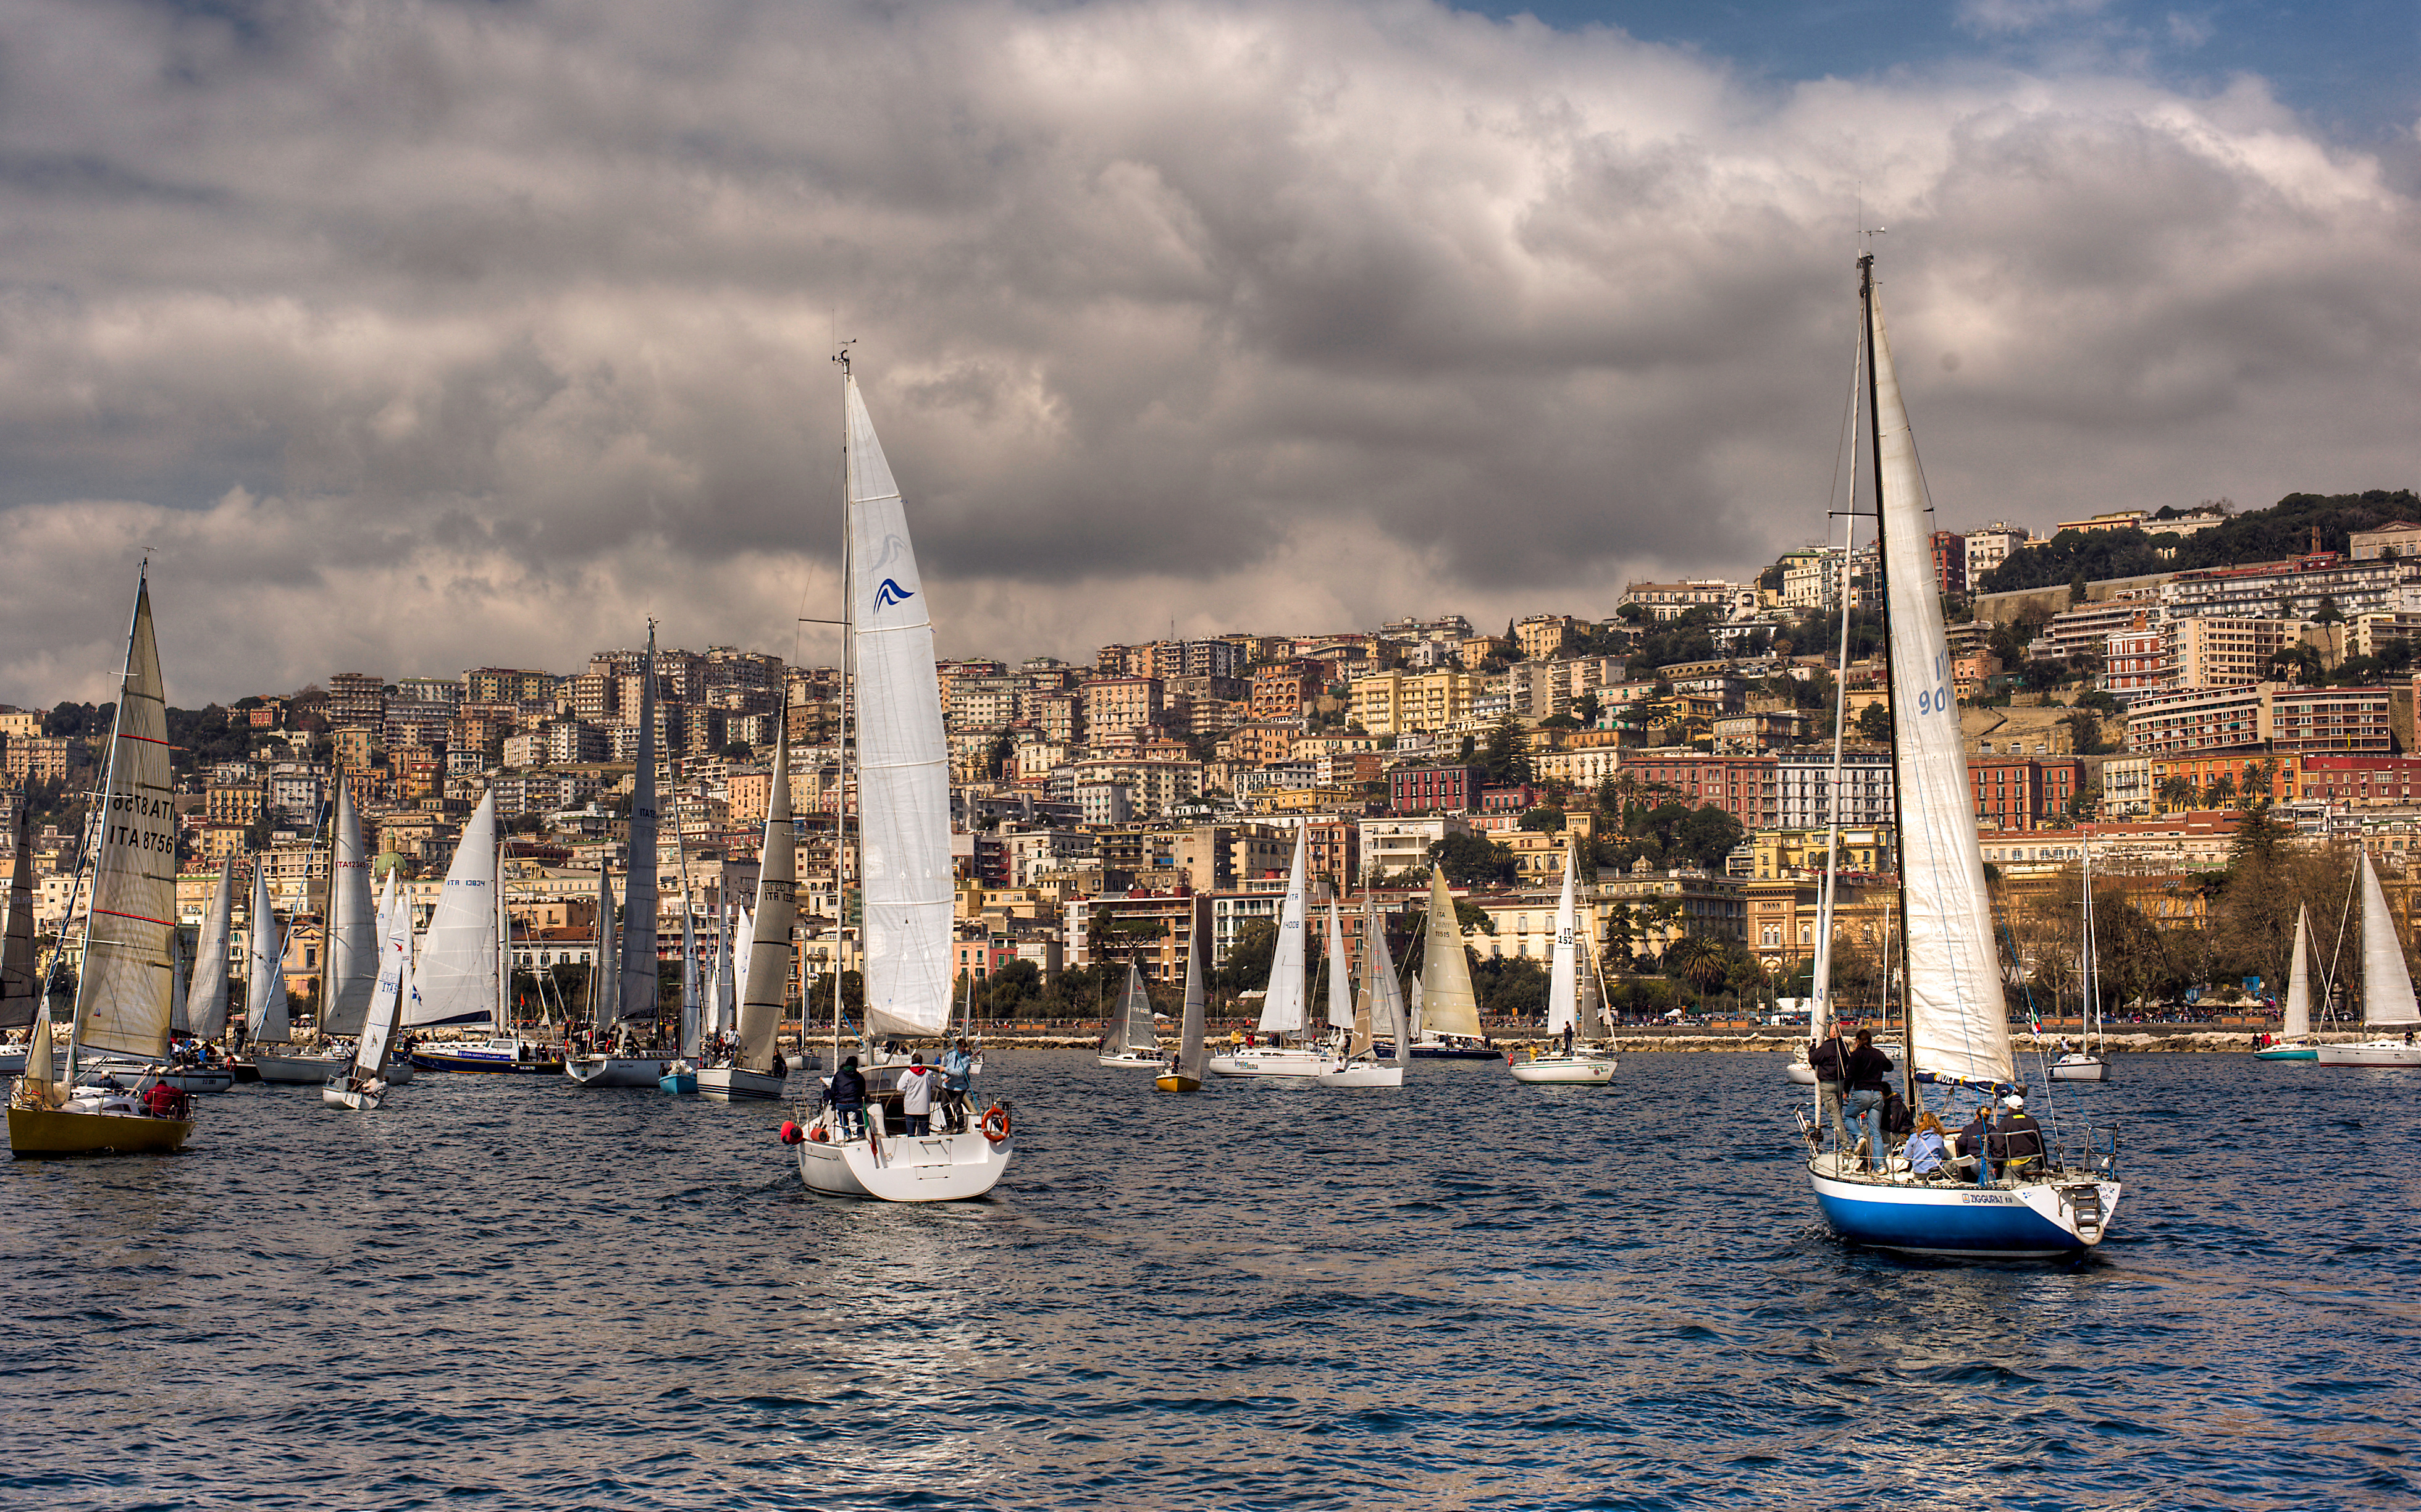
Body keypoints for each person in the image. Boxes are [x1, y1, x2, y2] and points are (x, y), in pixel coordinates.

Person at [1844, 1030, 1894, 1168]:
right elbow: (1890, 1067)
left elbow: (1850, 1076)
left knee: (1849, 1116)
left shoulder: (1856, 1055)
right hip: (1877, 1095)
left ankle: (1859, 1138)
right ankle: (1880, 1166)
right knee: (1875, 1132)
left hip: (1862, 1092)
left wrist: (1846, 1092)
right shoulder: (1878, 1054)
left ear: (1858, 1041)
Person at [1807, 1025, 1852, 1153]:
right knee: (1839, 1114)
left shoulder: (1827, 1047)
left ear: (1832, 1033)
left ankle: (1846, 1145)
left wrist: (1814, 1044)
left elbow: (1814, 1059)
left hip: (1828, 1085)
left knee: (1836, 1116)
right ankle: (1847, 1141)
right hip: (1841, 1084)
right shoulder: (1845, 1046)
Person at [1989, 1093, 2045, 1173]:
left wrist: (1996, 1164)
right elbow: (2040, 1144)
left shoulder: (2006, 1122)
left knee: (2011, 1184)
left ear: (2009, 1108)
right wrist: (2043, 1164)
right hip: (2032, 1163)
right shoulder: (2032, 1121)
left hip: (2013, 1164)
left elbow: (2000, 1146)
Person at [939, 1038, 975, 1133]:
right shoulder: (949, 1055)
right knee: (944, 1105)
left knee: (957, 1106)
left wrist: (946, 1070)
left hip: (960, 1086)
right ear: (957, 1046)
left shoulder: (967, 1059)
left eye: (964, 1047)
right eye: (961, 1047)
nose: (962, 1049)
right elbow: (942, 1068)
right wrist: (944, 1077)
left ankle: (961, 1127)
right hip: (948, 1085)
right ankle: (951, 1125)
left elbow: (960, 1072)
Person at [827, 1054, 867, 1137]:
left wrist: (834, 1104)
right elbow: (863, 1092)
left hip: (841, 1104)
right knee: (860, 1113)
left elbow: (833, 1091)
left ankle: (847, 1133)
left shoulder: (838, 1075)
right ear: (856, 1065)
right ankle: (861, 1133)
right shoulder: (859, 1076)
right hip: (855, 1103)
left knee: (842, 1114)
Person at [898, 1053, 937, 1136]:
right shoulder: (929, 1073)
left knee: (911, 1133)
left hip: (910, 1108)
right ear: (922, 1061)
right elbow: (935, 1080)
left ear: (912, 1061)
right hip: (924, 1107)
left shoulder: (907, 1074)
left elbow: (900, 1088)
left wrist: (907, 1091)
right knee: (925, 1133)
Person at [1903, 1112, 1951, 1178]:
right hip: (1935, 1172)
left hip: (1918, 1173)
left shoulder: (1914, 1137)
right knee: (1954, 1165)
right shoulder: (1938, 1137)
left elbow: (1906, 1156)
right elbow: (1942, 1156)